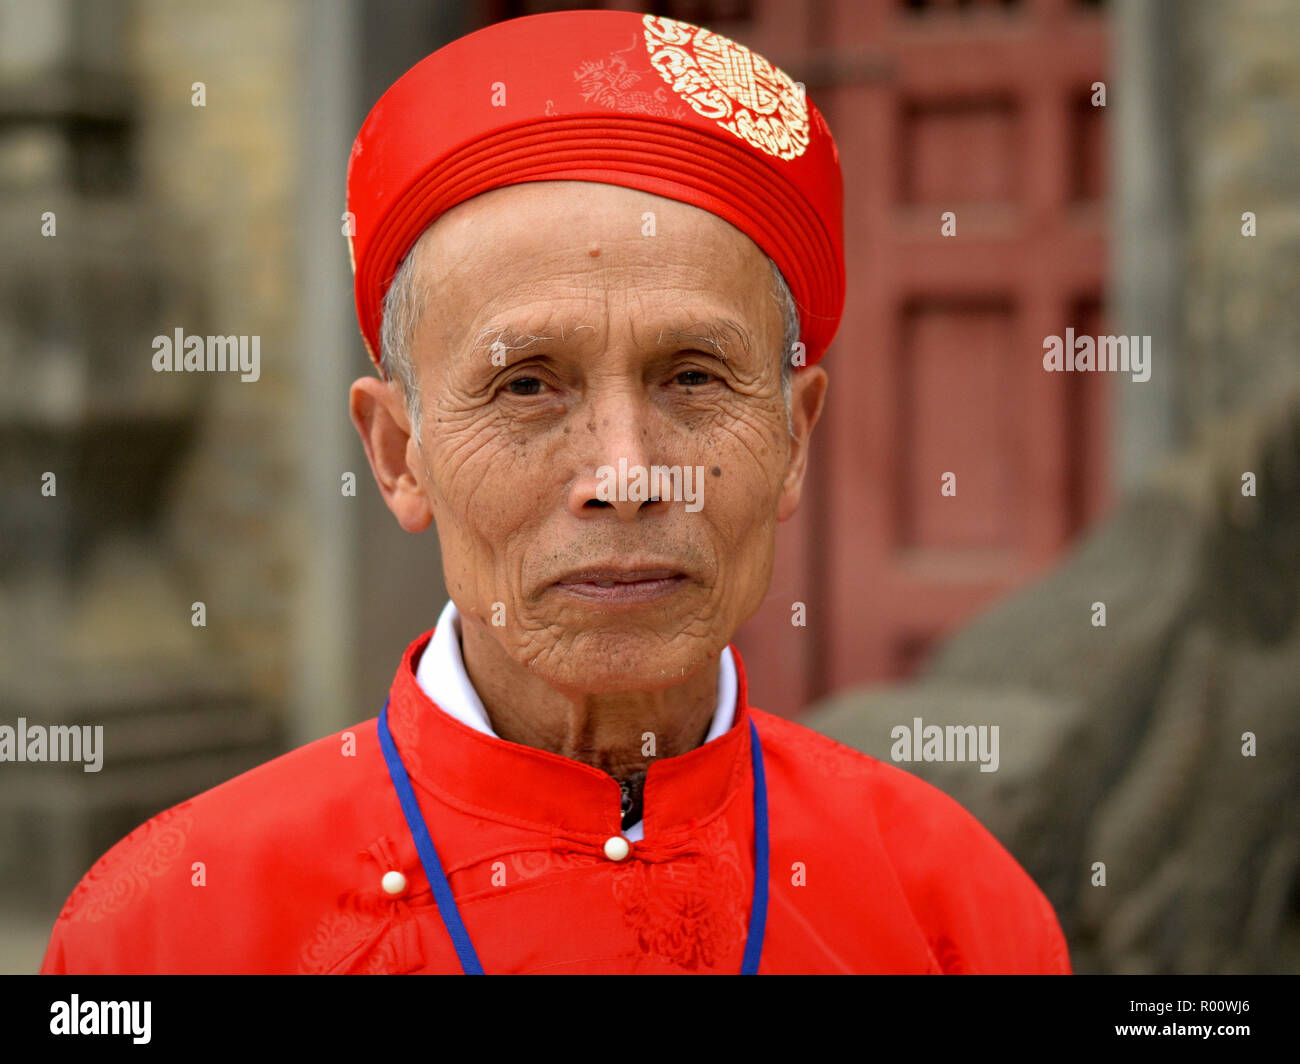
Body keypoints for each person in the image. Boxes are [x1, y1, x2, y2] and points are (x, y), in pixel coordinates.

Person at [41, 9, 1069, 974]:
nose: (625, 474)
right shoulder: (167, 924)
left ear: (793, 435)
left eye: (694, 377)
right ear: (399, 452)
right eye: (526, 383)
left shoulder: (955, 907)